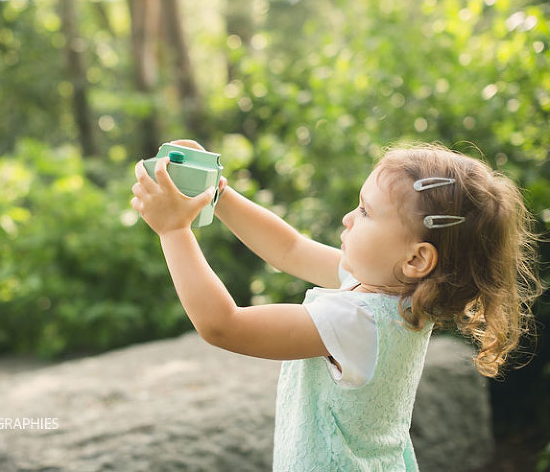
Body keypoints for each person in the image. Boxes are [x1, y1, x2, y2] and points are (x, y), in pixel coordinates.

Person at [130, 140, 543, 471]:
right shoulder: (397, 296)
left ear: (417, 259)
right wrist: (216, 193)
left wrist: (173, 230)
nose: (348, 217)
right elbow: (290, 249)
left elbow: (224, 324)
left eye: (365, 211)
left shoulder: (355, 322)